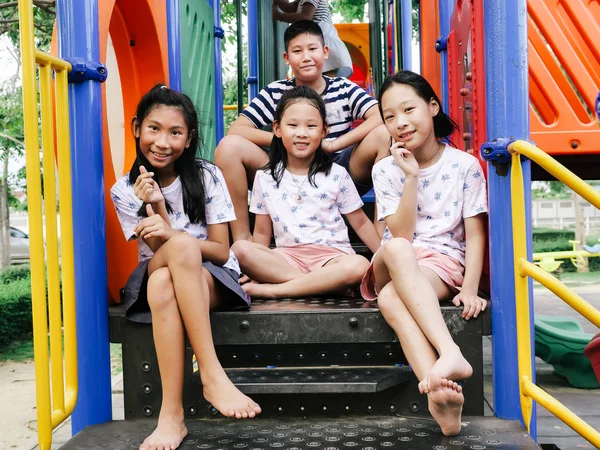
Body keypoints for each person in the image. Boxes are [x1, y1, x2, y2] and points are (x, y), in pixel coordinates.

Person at [110, 85, 261, 450]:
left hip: (211, 277)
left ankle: (172, 415)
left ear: (189, 137)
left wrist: (166, 217)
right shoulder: (125, 190)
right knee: (170, 261)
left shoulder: (207, 176)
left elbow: (222, 251)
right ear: (136, 128)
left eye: (175, 133)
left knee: (165, 283)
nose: (163, 142)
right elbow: (162, 248)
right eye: (154, 129)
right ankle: (210, 373)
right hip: (156, 267)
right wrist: (156, 209)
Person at [360, 71, 488, 436]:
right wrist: (411, 176)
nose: (400, 123)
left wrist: (469, 287)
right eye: (389, 116)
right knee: (398, 248)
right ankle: (449, 352)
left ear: (432, 107)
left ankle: (437, 397)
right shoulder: (385, 168)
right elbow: (399, 233)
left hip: (442, 263)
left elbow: (475, 234)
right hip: (395, 256)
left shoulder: (463, 166)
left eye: (408, 109)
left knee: (389, 300)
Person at [215, 20, 389, 242]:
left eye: (312, 49)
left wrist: (335, 144)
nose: (306, 56)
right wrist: (286, 140)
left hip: (337, 170)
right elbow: (237, 129)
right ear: (287, 58)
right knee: (228, 147)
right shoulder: (277, 91)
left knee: (385, 134)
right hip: (287, 170)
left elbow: (381, 115)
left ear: (325, 52)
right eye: (297, 51)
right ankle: (243, 238)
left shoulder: (343, 88)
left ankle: (382, 236)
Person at [231, 86, 380, 299]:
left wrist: (382, 258)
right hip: (288, 258)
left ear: (324, 131)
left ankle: (275, 290)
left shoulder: (337, 174)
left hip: (332, 258)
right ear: (277, 129)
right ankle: (322, 285)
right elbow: (262, 233)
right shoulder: (265, 178)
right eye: (292, 125)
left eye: (311, 126)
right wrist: (254, 270)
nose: (301, 133)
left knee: (358, 265)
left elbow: (361, 223)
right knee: (240, 250)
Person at [272, 0, 353, 77]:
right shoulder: (301, 2)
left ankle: (328, 89)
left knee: (326, 73)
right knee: (320, 74)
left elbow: (305, 16)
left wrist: (279, 16)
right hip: (318, 39)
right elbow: (289, 8)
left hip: (323, 38)